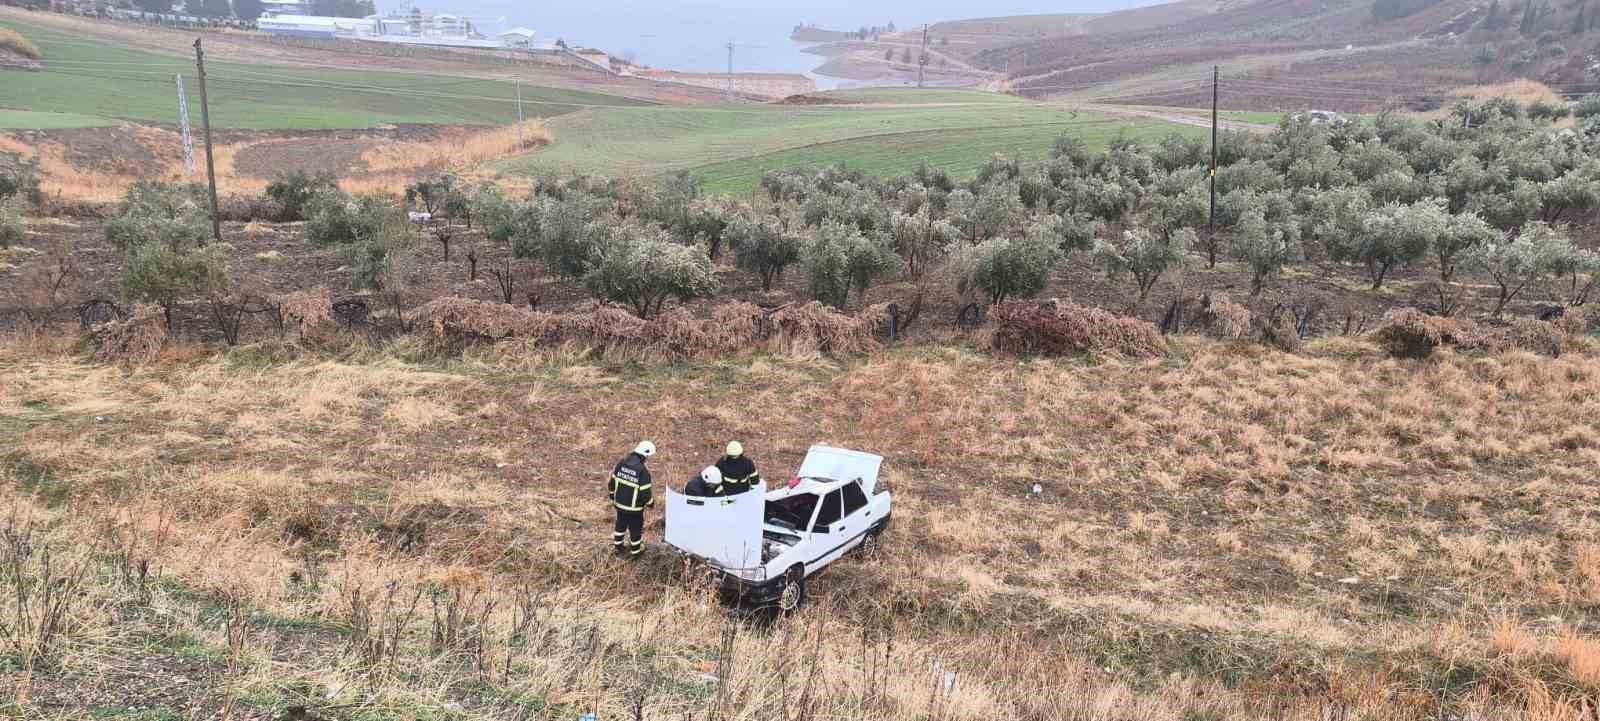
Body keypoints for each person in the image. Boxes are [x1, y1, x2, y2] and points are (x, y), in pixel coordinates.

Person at [608, 440, 655, 558]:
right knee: (635, 529)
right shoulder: (643, 472)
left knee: (620, 524)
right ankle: (636, 551)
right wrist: (651, 503)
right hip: (634, 509)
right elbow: (645, 494)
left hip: (619, 505)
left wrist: (612, 496)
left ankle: (618, 547)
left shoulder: (621, 463)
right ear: (645, 455)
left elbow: (612, 482)